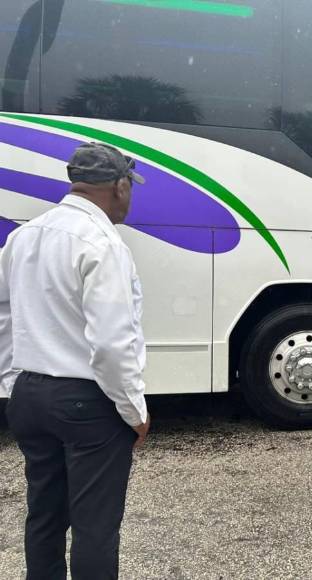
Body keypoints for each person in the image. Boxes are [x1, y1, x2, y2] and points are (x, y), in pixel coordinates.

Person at [1, 142, 150, 580]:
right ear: (120, 186)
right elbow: (111, 344)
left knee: (44, 516)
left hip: (28, 395)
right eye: (129, 187)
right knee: (95, 530)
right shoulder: (103, 243)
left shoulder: (26, 235)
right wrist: (134, 409)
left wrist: (13, 380)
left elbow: (4, 313)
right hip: (85, 403)